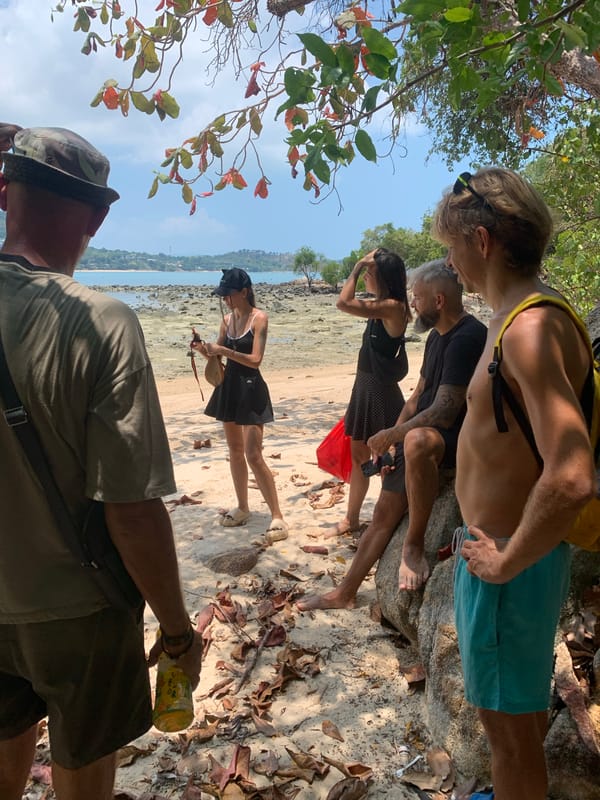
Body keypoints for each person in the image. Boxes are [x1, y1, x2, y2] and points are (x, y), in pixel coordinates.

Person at [0, 125, 202, 800]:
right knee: (84, 772)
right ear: (98, 215)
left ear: (5, 194)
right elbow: (133, 511)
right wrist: (176, 631)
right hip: (81, 613)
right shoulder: (103, 322)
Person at [432, 167, 596, 800]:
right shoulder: (526, 314)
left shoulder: (526, 329)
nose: (449, 265)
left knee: (507, 737)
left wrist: (503, 562)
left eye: (450, 249)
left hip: (509, 561)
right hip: (511, 553)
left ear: (481, 241)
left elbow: (572, 473)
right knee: (515, 714)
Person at [297, 259, 486, 610]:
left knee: (415, 439)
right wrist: (390, 442)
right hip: (421, 439)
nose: (413, 304)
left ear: (439, 301)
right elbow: (417, 396)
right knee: (383, 516)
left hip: (454, 440)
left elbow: (446, 410)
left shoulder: (468, 336)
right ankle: (345, 592)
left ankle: (413, 545)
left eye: (418, 298)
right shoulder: (435, 338)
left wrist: (400, 435)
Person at [194, 268, 288, 538]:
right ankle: (243, 507)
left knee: (254, 455)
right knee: (234, 451)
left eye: (228, 295)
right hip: (229, 388)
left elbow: (256, 360)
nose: (225, 300)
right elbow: (218, 360)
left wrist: (222, 349)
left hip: (252, 388)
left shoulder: (260, 318)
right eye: (222, 296)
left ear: (244, 292)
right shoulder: (226, 320)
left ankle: (277, 516)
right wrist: (204, 350)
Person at [331, 247, 410, 536]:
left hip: (379, 391)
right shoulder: (383, 305)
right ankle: (352, 519)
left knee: (383, 458)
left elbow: (343, 302)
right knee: (363, 456)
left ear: (384, 278)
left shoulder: (391, 306)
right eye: (363, 272)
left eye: (369, 273)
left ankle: (381, 516)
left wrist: (354, 268)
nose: (364, 276)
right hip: (365, 388)